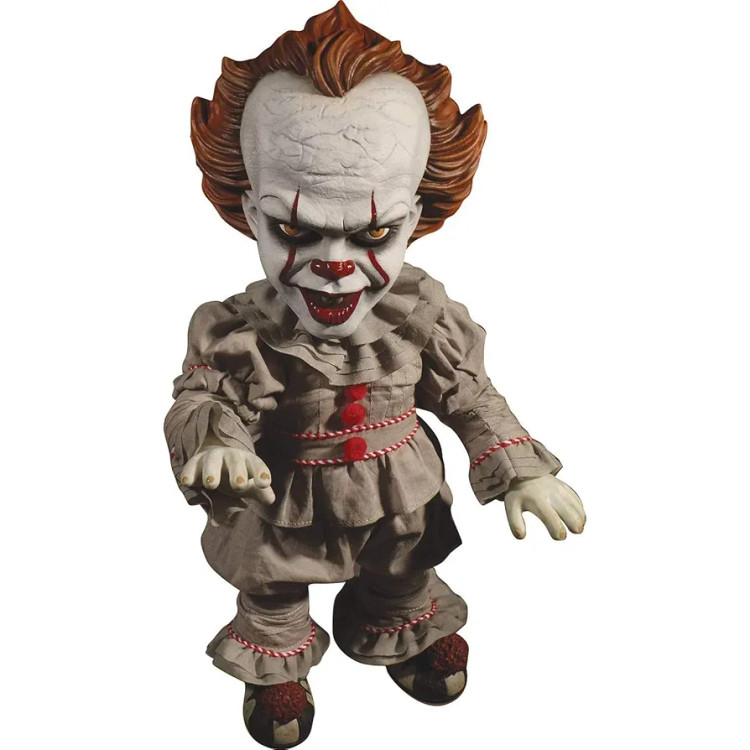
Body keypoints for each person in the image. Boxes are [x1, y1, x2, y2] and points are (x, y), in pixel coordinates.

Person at [165, 4, 586, 747]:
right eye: (294, 229)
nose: (335, 266)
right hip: (281, 494)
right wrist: (218, 444)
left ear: (416, 214)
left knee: (405, 565)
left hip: (400, 490)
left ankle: (398, 623)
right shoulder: (241, 331)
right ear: (249, 211)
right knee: (273, 583)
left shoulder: (421, 314)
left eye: (374, 231)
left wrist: (521, 470)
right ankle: (278, 660)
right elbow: (206, 396)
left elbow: (469, 394)